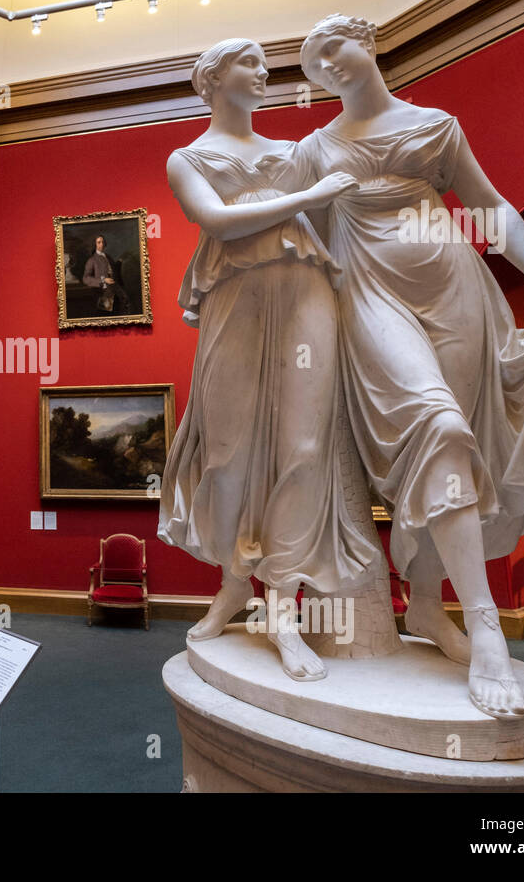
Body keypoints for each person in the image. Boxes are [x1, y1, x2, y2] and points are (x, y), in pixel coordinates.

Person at [298, 14, 524, 717]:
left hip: (456, 289)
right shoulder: (315, 147)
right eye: (313, 64)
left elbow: (488, 208)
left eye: (334, 46)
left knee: (456, 449)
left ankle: (427, 605)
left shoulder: (436, 125)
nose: (327, 63)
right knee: (439, 426)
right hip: (370, 295)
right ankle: (486, 626)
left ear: (366, 41)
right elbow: (307, 251)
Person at [157, 37, 379, 682]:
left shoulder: (294, 152)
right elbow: (218, 221)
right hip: (234, 297)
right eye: (248, 64)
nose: (264, 74)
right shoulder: (188, 157)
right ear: (212, 78)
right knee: (227, 453)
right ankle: (234, 585)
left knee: (303, 449)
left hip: (307, 290)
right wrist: (305, 200)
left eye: (263, 64)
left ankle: (283, 609)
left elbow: (356, 213)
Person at [82, 235, 129, 313]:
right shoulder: (92, 260)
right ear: (95, 244)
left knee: (123, 305)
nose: (102, 244)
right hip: (104, 292)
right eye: (99, 242)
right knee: (108, 313)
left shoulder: (107, 256)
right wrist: (103, 280)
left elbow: (113, 270)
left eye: (103, 242)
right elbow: (86, 279)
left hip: (116, 288)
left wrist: (120, 261)